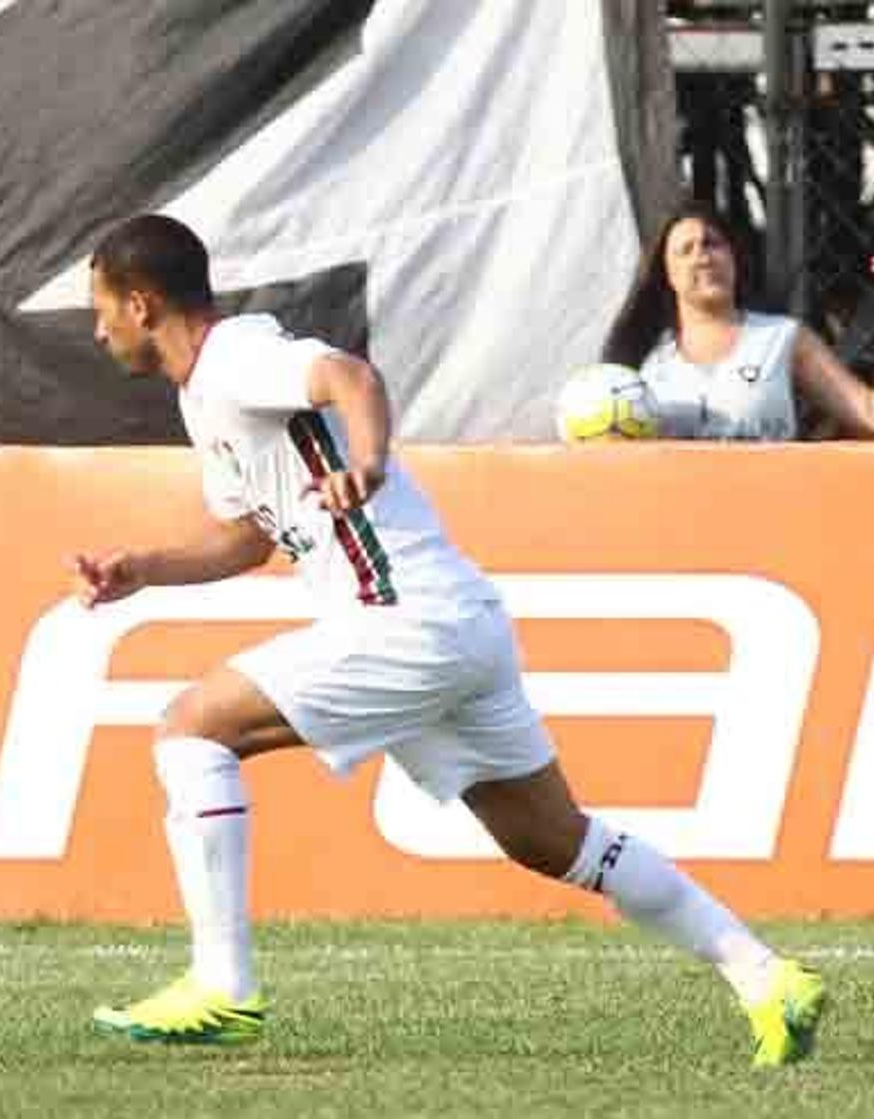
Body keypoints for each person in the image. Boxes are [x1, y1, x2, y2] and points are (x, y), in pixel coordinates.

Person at [72, 213, 823, 1066]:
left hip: (405, 618)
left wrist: (372, 462)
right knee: (553, 840)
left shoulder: (237, 357)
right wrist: (147, 568)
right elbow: (248, 536)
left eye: (101, 310)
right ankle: (767, 977)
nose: (98, 331)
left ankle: (223, 985)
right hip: (456, 624)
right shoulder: (201, 394)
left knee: (191, 726)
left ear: (141, 304)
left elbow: (349, 376)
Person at [603, 203, 874, 440]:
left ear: (734, 257)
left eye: (712, 243)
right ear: (665, 273)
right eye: (686, 250)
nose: (703, 257)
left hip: (766, 502)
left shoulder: (783, 337)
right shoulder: (640, 357)